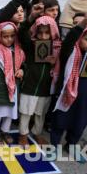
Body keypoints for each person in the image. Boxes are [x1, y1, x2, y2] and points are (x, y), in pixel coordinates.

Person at [50, 11, 87, 158]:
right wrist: (83, 23)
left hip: (86, 98)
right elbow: (70, 39)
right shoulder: (69, 52)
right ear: (80, 37)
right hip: (67, 94)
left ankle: (71, 145)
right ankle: (54, 146)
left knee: (79, 123)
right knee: (59, 122)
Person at [18, 16, 61, 146]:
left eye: (47, 33)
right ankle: (23, 134)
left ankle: (37, 133)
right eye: (40, 32)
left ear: (53, 32)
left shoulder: (58, 48)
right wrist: (30, 17)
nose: (43, 36)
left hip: (45, 87)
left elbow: (62, 68)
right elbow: (22, 32)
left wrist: (54, 63)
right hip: (30, 85)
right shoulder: (30, 45)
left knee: (40, 113)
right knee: (25, 112)